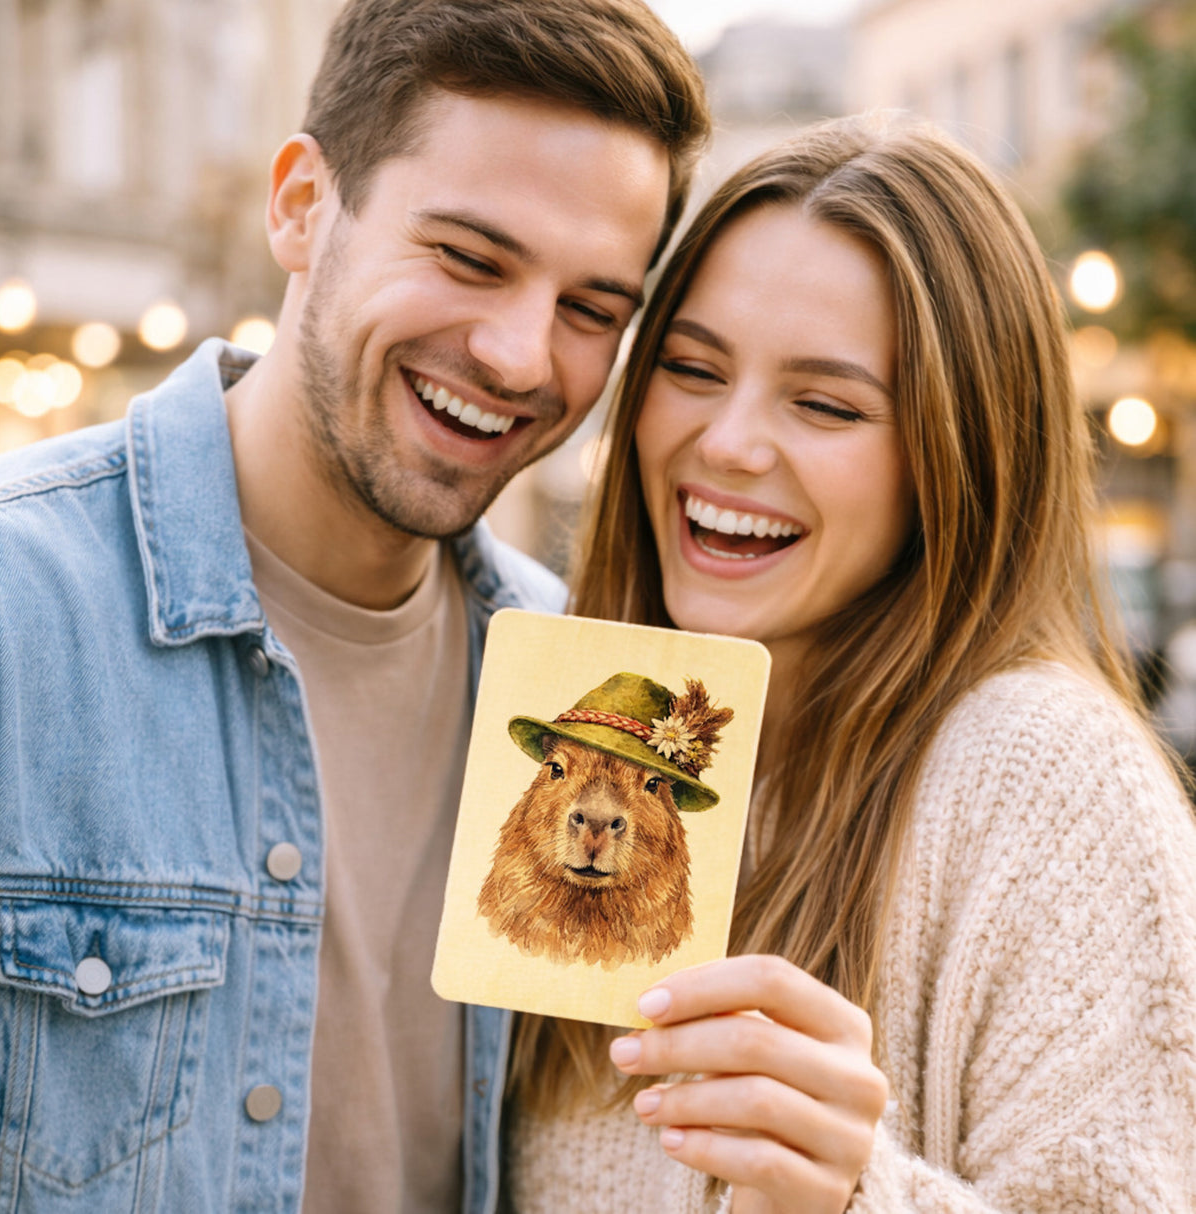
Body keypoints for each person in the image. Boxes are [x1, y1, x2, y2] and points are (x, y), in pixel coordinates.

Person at [0, 3, 709, 1212]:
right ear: (301, 206)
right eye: (468, 257)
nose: (521, 356)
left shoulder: (576, 685)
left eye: (590, 309)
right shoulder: (8, 610)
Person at [505, 114, 1196, 1213]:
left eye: (824, 404)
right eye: (691, 368)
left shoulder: (1048, 779)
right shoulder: (583, 716)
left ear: (956, 454)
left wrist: (852, 1194)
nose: (727, 441)